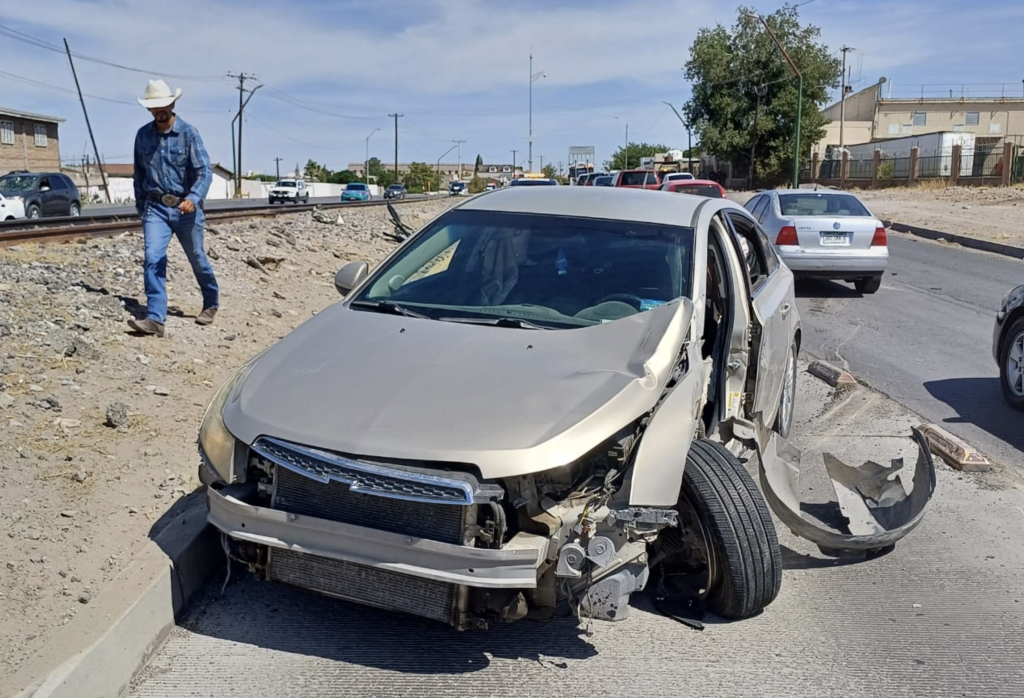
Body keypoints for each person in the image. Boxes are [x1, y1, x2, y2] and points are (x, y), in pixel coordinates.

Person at [128, 78, 219, 338]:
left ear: (172, 103)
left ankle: (211, 303)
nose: (160, 110)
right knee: (153, 258)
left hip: (185, 208)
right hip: (155, 208)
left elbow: (204, 172)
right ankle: (156, 318)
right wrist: (141, 207)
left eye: (164, 105)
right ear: (149, 109)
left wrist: (193, 197)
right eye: (155, 106)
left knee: (197, 259)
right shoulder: (142, 136)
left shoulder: (189, 133)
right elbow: (139, 174)